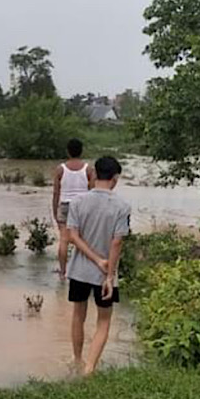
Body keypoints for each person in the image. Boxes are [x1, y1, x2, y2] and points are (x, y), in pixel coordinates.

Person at [65, 155, 130, 377]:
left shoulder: (77, 202)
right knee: (103, 320)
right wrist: (108, 273)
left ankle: (76, 359)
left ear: (93, 174)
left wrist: (92, 258)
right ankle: (90, 368)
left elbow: (72, 236)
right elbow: (117, 241)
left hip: (79, 271)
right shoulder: (122, 206)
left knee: (77, 315)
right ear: (115, 178)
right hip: (105, 275)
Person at [52, 138, 95, 279]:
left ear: (67, 151)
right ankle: (81, 272)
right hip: (82, 206)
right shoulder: (88, 169)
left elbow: (56, 193)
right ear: (81, 151)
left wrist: (55, 212)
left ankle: (63, 273)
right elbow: (92, 191)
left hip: (65, 205)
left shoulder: (60, 169)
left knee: (64, 239)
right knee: (82, 240)